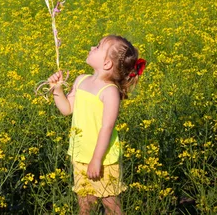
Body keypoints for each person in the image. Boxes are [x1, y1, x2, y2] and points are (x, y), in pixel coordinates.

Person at [47, 34, 146, 215]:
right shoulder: (81, 80)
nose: (92, 47)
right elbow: (66, 109)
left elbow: (106, 128)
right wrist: (57, 89)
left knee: (112, 207)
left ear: (107, 64)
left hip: (103, 161)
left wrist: (96, 160)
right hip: (79, 156)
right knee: (85, 208)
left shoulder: (109, 92)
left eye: (98, 46)